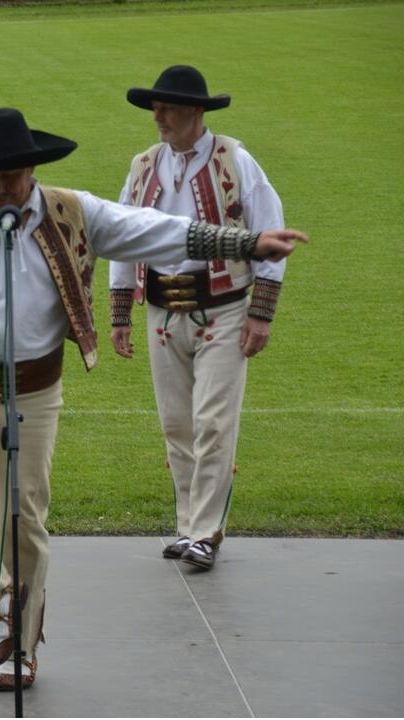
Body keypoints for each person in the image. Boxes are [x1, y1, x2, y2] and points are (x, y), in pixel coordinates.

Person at [0, 72, 305, 690]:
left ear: (32, 171)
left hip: (35, 392)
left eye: (9, 175)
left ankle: (20, 650)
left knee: (23, 521)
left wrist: (247, 240)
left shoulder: (76, 212)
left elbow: (158, 231)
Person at [109, 65, 287, 570]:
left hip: (226, 307)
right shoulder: (144, 165)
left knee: (213, 420)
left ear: (197, 112)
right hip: (162, 311)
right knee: (177, 424)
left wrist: (262, 313)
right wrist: (121, 312)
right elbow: (122, 235)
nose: (158, 116)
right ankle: (187, 526)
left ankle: (206, 532)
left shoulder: (236, 160)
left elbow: (270, 233)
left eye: (167, 108)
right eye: (156, 108)